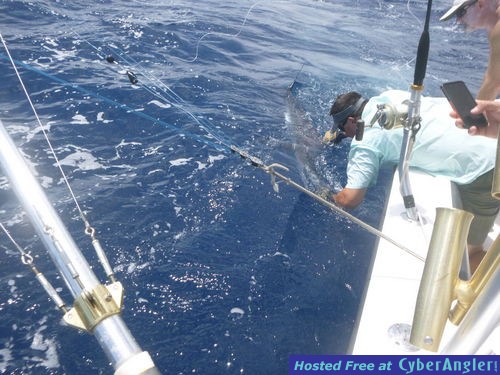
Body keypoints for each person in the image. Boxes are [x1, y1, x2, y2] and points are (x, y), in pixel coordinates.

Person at [329, 89, 499, 272]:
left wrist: (327, 195)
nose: (344, 134)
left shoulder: (365, 143)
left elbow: (350, 199)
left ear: (353, 120)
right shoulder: (390, 95)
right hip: (491, 132)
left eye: (341, 128)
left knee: (467, 257)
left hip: (487, 167)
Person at [440, 0, 500, 100]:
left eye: (461, 12)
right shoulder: (493, 26)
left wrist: (476, 114)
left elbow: (493, 82)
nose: (459, 20)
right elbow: (492, 74)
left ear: (481, 4)